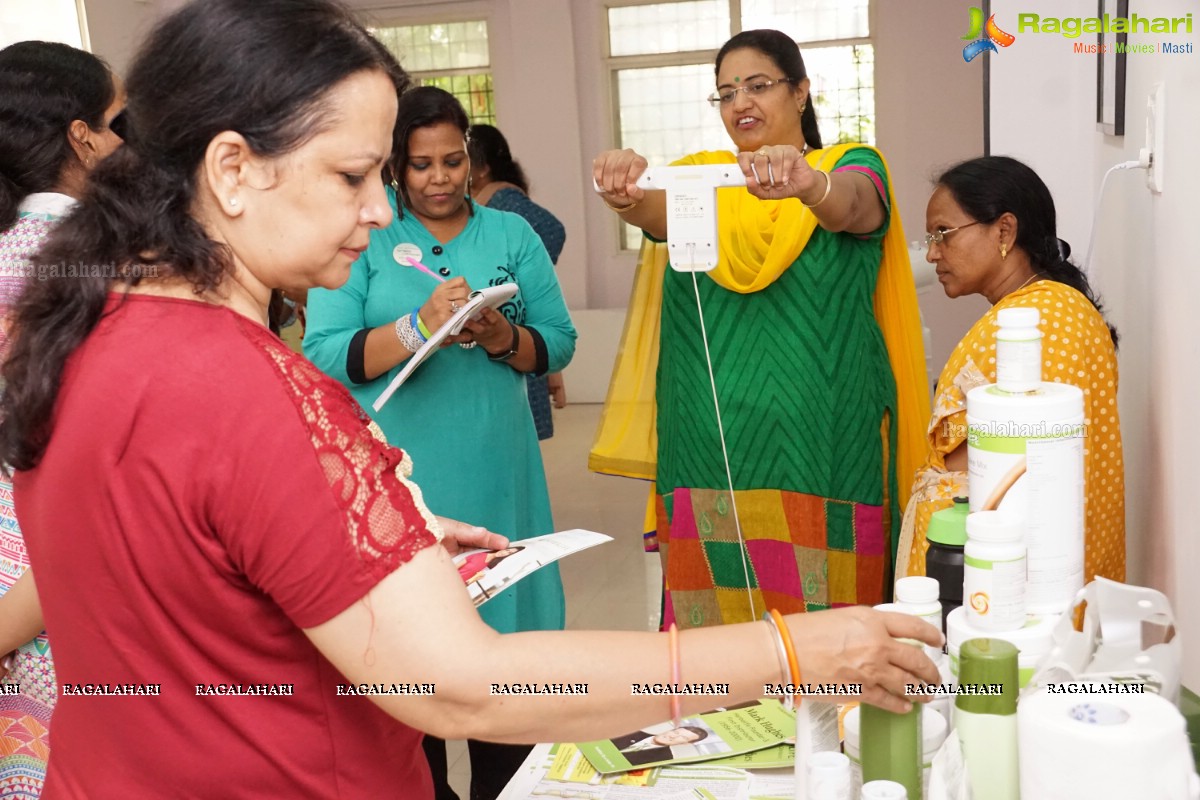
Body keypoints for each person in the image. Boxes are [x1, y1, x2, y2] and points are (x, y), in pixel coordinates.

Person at [0, 1, 941, 796]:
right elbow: (466, 691)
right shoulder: (249, 385)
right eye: (354, 175)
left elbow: (139, 558)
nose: (381, 209)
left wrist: (330, 545)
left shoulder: (83, 330)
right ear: (234, 169)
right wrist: (788, 655)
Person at [589, 29, 929, 628]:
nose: (740, 102)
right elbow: (652, 210)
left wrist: (806, 184)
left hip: (827, 443)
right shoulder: (700, 178)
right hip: (709, 437)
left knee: (830, 631)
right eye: (725, 93)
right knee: (715, 630)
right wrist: (624, 190)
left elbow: (851, 206)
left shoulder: (850, 164)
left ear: (800, 92)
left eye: (757, 85)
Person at [304, 86, 577, 800]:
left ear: (471, 158)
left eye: (452, 161)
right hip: (402, 480)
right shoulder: (364, 236)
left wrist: (502, 335)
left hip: (498, 465)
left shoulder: (510, 237)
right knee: (412, 663)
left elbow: (558, 343)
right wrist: (417, 328)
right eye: (420, 165)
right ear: (396, 169)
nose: (438, 178)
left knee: (507, 659)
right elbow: (325, 353)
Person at [897, 156, 1124, 583]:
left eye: (943, 233)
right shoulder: (1051, 308)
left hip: (1003, 577)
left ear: (1004, 230)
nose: (931, 253)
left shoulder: (1037, 320)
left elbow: (989, 471)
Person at [0, 39, 124, 797]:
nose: (122, 143)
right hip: (68, 574)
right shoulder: (109, 266)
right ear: (81, 137)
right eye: (115, 123)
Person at [467, 123, 567, 438]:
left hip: (511, 345)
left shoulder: (508, 208)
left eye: (455, 161)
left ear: (480, 169)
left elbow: (552, 230)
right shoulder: (478, 207)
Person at [612, 725, 709, 766]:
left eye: (683, 737)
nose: (672, 736)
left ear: (686, 744)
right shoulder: (630, 731)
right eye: (675, 732)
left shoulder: (665, 759)